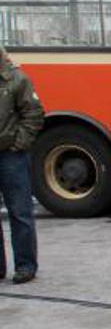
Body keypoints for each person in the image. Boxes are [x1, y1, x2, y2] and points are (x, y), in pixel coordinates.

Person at [0, 44, 44, 284]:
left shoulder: (17, 79)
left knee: (20, 212)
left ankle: (25, 266)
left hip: (11, 156)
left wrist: (18, 144)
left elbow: (34, 114)